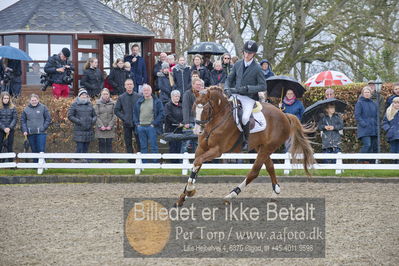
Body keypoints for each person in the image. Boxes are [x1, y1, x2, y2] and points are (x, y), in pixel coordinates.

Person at [224, 40, 267, 151]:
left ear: (254, 54)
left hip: (249, 98)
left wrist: (248, 88)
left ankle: (245, 140)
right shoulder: (237, 64)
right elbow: (229, 79)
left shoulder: (257, 68)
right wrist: (227, 88)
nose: (247, 55)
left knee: (244, 117)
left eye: (250, 53)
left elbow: (263, 86)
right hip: (235, 95)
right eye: (246, 52)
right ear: (243, 52)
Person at [133, 84, 164, 162]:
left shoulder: (156, 101)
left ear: (151, 91)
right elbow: (135, 113)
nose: (146, 92)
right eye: (144, 90)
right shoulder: (139, 102)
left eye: (147, 90)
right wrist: (137, 124)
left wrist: (154, 123)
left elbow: (161, 114)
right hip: (141, 127)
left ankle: (155, 163)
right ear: (142, 92)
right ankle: (144, 163)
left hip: (151, 127)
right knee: (143, 146)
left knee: (154, 146)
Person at [114, 79, 140, 162]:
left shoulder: (138, 96)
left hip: (137, 123)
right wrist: (124, 118)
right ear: (125, 86)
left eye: (131, 84)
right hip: (127, 123)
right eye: (127, 84)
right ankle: (131, 160)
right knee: (128, 142)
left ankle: (139, 160)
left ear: (133, 85)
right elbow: (116, 110)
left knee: (139, 142)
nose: (129, 86)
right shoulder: (121, 97)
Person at [21, 94, 51, 162]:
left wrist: (43, 128)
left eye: (35, 100)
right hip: (30, 133)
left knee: (41, 150)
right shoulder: (26, 109)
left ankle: (42, 166)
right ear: (29, 101)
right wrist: (25, 130)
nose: (34, 101)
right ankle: (35, 165)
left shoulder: (43, 107)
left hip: (41, 133)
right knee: (34, 150)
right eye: (32, 100)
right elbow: (23, 121)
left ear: (38, 100)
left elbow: (48, 119)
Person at [68, 89, 97, 157]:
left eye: (85, 95)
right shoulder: (74, 104)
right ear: (79, 96)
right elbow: (70, 116)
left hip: (89, 129)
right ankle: (77, 160)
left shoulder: (90, 104)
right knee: (79, 147)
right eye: (82, 95)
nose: (84, 96)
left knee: (86, 147)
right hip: (79, 129)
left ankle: (84, 160)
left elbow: (95, 115)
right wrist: (78, 121)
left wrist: (92, 121)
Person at [181, 78, 205, 153]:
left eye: (200, 85)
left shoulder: (203, 94)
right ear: (193, 85)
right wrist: (186, 122)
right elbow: (185, 108)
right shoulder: (187, 94)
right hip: (190, 121)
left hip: (200, 122)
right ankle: (182, 162)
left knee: (198, 144)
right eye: (197, 84)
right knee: (186, 143)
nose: (199, 86)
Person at [355, 86, 378, 162]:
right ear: (362, 94)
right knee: (367, 145)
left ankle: (371, 164)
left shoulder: (374, 104)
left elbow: (376, 116)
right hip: (364, 129)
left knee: (372, 147)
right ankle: (360, 161)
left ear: (371, 94)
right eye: (365, 92)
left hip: (373, 128)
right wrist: (364, 124)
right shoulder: (359, 103)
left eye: (368, 92)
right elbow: (357, 116)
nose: (367, 94)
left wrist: (376, 125)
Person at [94, 88, 116, 161]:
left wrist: (110, 125)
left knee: (109, 143)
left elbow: (115, 115)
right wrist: (101, 125)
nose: (105, 95)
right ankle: (102, 159)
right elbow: (96, 115)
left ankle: (109, 159)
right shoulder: (97, 104)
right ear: (101, 95)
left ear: (109, 95)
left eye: (107, 94)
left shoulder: (113, 103)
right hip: (100, 126)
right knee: (102, 142)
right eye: (104, 94)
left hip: (110, 126)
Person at [164, 90, 184, 162]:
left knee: (179, 146)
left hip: (180, 130)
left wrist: (182, 123)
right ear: (172, 97)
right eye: (176, 96)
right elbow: (168, 116)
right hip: (171, 129)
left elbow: (184, 115)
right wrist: (177, 123)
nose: (177, 98)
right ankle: (173, 163)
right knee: (173, 147)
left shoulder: (181, 106)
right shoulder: (168, 105)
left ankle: (178, 162)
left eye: (178, 96)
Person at [0, 92, 17, 158]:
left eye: (7, 98)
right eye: (4, 98)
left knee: (10, 145)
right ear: (1, 99)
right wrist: (4, 128)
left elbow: (15, 118)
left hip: (10, 130)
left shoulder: (13, 107)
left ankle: (11, 163)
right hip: (1, 129)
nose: (6, 99)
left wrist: (9, 127)